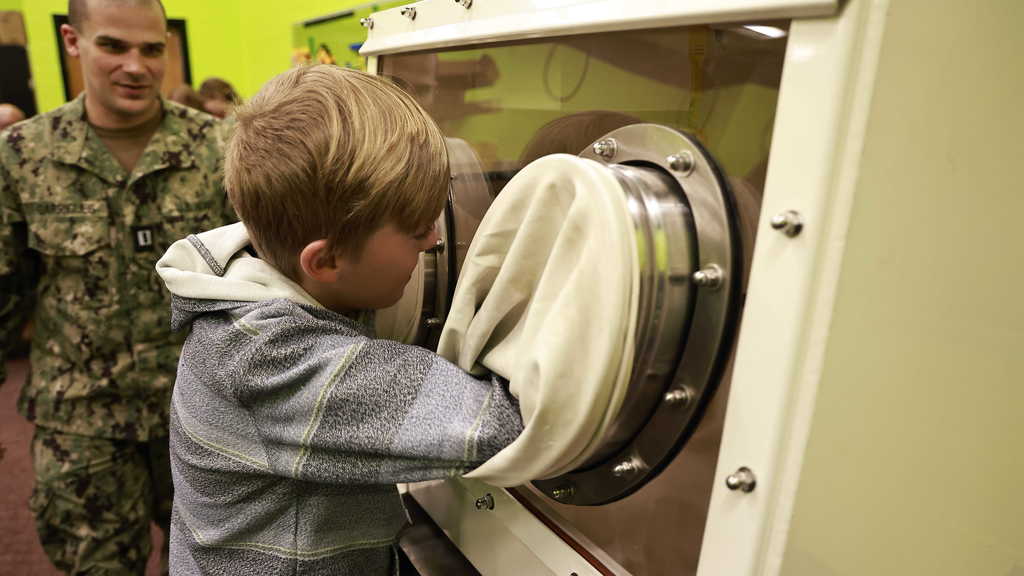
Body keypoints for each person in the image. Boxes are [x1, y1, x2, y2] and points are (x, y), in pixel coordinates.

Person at [154, 64, 524, 575]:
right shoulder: (275, 359)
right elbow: (499, 425)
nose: (434, 242)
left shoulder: (263, 274)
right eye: (416, 229)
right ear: (325, 262)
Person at [0, 0, 235, 572]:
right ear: (73, 42)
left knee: (221, 562)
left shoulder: (221, 148)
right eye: (114, 46)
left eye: (152, 50)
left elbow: (259, 280)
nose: (136, 66)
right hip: (83, 426)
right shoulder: (22, 155)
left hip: (201, 411)